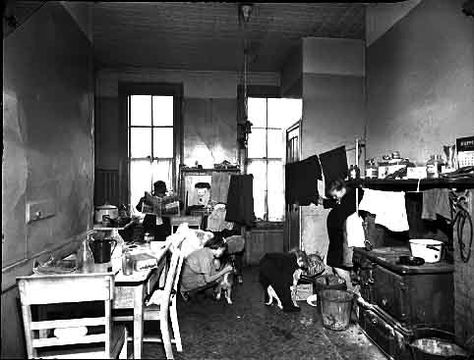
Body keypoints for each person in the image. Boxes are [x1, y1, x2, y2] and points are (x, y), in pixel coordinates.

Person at [319, 178, 364, 269]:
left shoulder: (354, 195)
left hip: (346, 238)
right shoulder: (343, 197)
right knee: (336, 264)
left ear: (341, 188)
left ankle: (349, 282)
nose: (335, 198)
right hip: (337, 237)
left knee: (342, 264)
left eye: (335, 195)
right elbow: (332, 203)